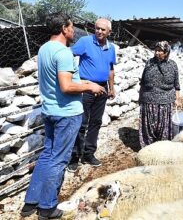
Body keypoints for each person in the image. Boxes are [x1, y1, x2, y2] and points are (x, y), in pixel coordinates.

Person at [20, 12, 106, 219]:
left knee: (48, 154)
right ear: (63, 29)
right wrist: (89, 86)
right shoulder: (64, 52)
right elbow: (66, 86)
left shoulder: (44, 49)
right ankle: (48, 207)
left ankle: (30, 203)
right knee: (59, 160)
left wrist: (86, 83)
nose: (73, 30)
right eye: (71, 26)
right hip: (66, 114)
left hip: (50, 110)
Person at [67, 18, 116, 172]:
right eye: (97, 28)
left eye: (103, 29)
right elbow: (68, 56)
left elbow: (110, 69)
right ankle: (75, 157)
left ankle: (89, 154)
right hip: (86, 88)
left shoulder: (111, 48)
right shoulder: (85, 41)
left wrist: (111, 88)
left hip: (102, 89)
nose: (99, 32)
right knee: (80, 123)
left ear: (109, 32)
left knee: (96, 122)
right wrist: (75, 79)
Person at [138, 41, 181, 147]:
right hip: (148, 101)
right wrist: (140, 97)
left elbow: (177, 85)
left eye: (160, 51)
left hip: (165, 103)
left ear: (166, 52)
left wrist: (178, 99)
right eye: (156, 50)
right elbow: (142, 82)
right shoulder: (149, 63)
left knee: (164, 128)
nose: (157, 53)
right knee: (148, 128)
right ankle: (147, 149)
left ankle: (162, 149)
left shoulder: (172, 65)